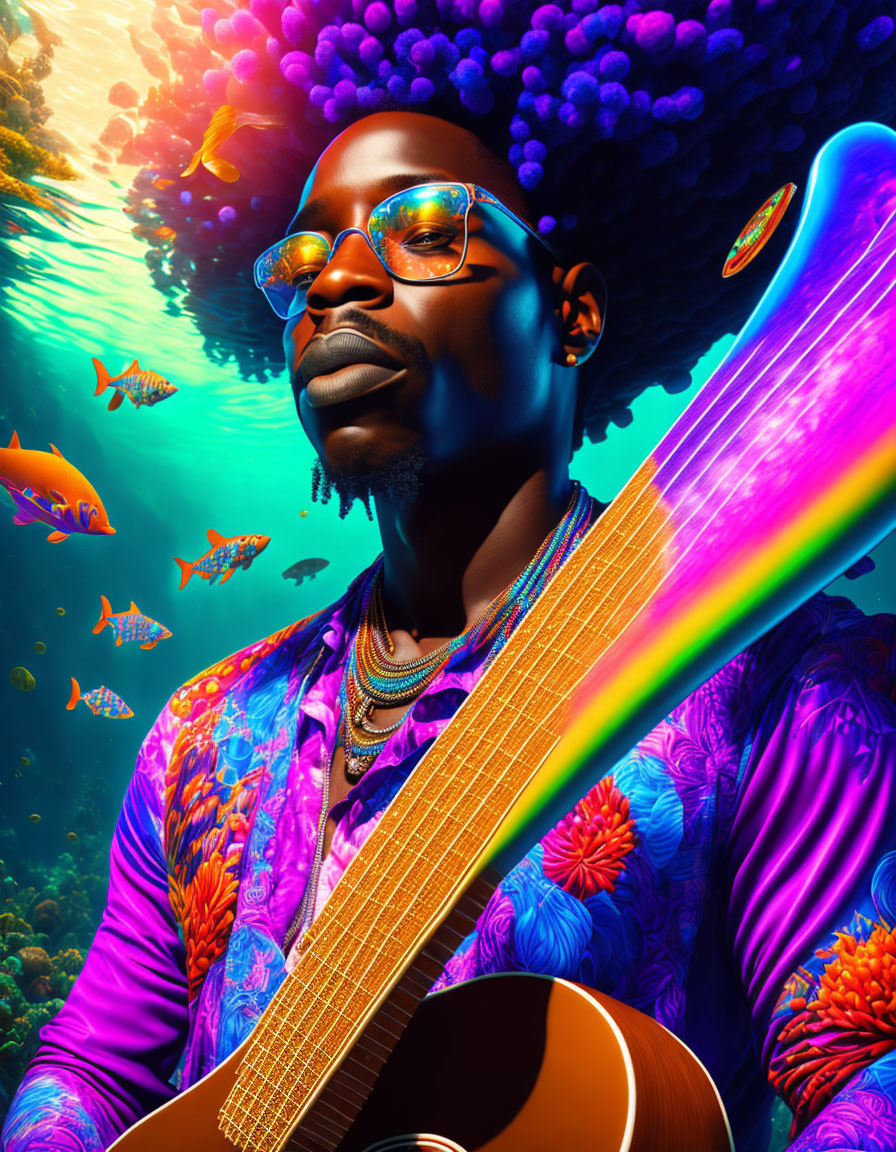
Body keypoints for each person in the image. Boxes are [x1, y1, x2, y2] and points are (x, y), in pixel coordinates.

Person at [3, 104, 895, 1152]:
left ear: (572, 317)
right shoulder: (200, 730)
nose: (331, 282)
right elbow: (93, 1066)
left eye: (426, 230)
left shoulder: (781, 683)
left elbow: (866, 1075)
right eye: (300, 264)